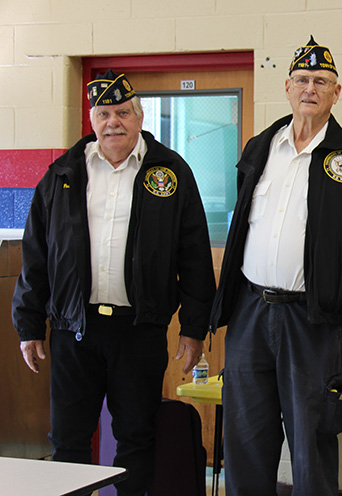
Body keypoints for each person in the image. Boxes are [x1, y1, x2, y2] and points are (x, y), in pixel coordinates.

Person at [12, 69, 216, 495]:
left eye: (123, 112)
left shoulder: (171, 173)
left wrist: (195, 328)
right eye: (104, 113)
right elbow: (37, 253)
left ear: (140, 116)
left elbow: (194, 254)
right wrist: (29, 324)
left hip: (139, 331)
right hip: (74, 329)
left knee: (136, 438)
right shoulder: (63, 173)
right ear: (92, 119)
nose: (113, 122)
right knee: (67, 441)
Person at [208, 36, 342, 496]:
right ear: (287, 88)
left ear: (337, 91)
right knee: (246, 437)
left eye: (321, 81)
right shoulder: (260, 148)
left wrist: (338, 294)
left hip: (312, 319)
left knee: (312, 442)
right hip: (251, 311)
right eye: (302, 80)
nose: (311, 88)